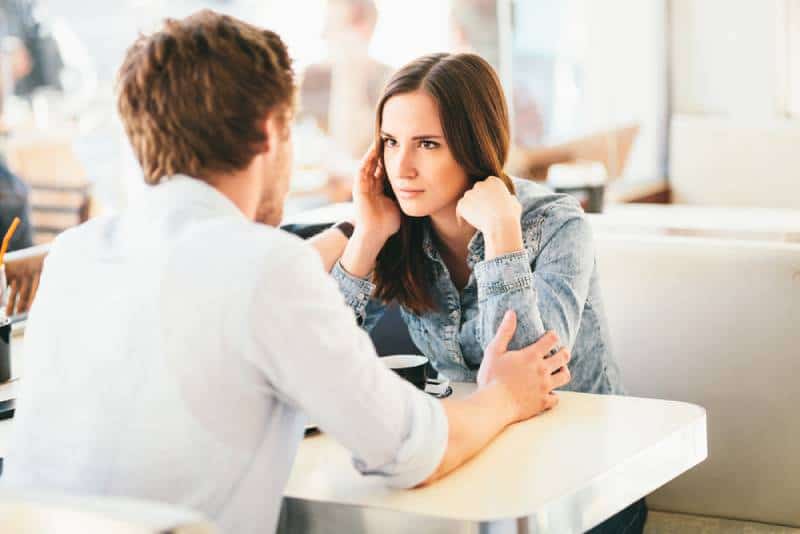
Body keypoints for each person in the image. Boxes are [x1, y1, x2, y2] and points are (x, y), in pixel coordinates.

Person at [1, 11, 572, 533]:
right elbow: (412, 453)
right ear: (271, 132)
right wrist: (503, 396)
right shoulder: (263, 266)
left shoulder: (74, 255)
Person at [327, 52, 646, 532]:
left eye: (428, 144)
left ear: (474, 145)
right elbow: (324, 350)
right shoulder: (398, 223)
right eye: (391, 142)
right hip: (475, 459)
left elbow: (527, 374)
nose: (402, 167)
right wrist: (368, 235)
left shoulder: (557, 224)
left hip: (584, 478)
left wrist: (502, 234)